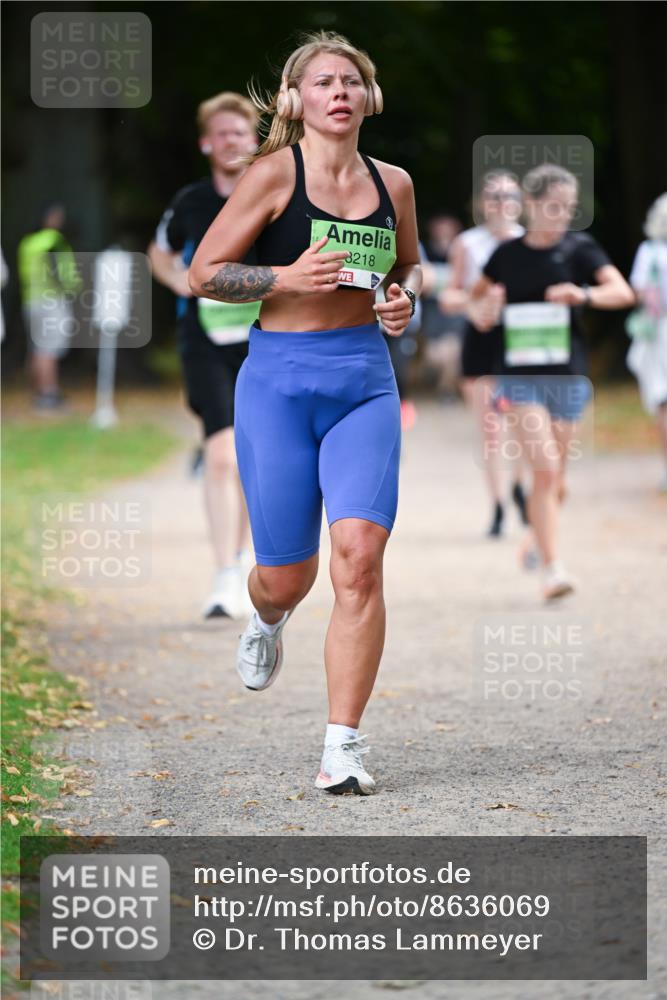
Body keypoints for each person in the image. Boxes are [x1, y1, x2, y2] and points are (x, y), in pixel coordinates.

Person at [190, 31, 421, 795]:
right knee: (285, 578)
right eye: (322, 81)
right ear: (295, 99)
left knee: (358, 557)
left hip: (363, 382)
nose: (338, 92)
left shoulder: (394, 184)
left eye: (350, 80)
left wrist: (402, 299)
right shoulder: (270, 176)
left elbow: (407, 266)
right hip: (278, 385)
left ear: (369, 97)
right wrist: (284, 278)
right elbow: (204, 274)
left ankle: (341, 747)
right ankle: (265, 620)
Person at [469, 163, 634, 600]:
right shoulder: (506, 255)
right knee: (543, 468)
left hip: (568, 376)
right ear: (531, 204)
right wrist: (485, 309)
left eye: (569, 207)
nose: (563, 215)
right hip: (518, 376)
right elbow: (475, 298)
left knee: (555, 477)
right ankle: (553, 570)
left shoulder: (580, 249)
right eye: (554, 206)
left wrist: (583, 294)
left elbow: (623, 292)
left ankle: (536, 539)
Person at [148, 93, 260, 619]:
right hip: (206, 341)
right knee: (221, 454)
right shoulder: (191, 201)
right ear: (205, 144)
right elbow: (159, 251)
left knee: (252, 457)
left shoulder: (274, 195)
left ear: (254, 140)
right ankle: (225, 574)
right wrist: (180, 282)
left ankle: (244, 557)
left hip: (265, 339)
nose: (230, 141)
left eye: (239, 132)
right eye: (221, 133)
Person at [441, 173, 528, 537]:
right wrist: (474, 305)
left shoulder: (531, 242)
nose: (502, 203)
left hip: (520, 341)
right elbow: (449, 297)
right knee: (490, 429)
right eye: (494, 197)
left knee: (524, 424)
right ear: (481, 204)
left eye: (509, 196)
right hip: (481, 338)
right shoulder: (468, 243)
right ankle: (497, 506)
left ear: (520, 203)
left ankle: (519, 487)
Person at [17, 204, 81, 411]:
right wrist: (70, 288)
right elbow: (56, 268)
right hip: (51, 300)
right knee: (49, 349)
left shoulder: (28, 242)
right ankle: (49, 393)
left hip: (31, 300)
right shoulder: (53, 239)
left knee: (36, 348)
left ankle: (38, 392)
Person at [626, 193, 667, 491]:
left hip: (660, 332)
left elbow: (637, 291)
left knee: (663, 402)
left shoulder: (650, 252)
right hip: (660, 332)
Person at [421, 214, 466, 401]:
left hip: (455, 310)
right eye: (440, 227)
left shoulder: (462, 249)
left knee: (453, 350)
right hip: (432, 309)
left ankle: (446, 389)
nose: (443, 231)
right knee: (434, 355)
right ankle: (437, 378)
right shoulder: (425, 250)